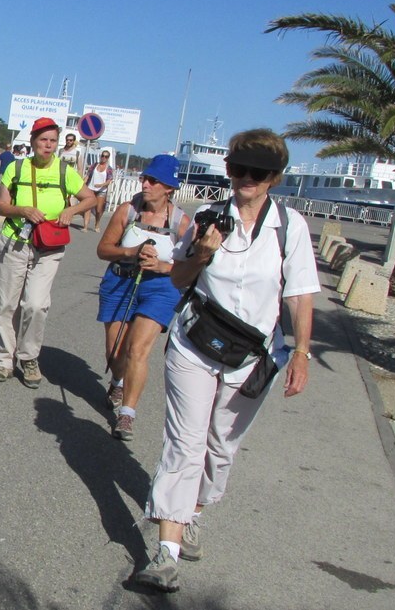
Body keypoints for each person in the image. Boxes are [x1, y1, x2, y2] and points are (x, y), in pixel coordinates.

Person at [134, 129, 319, 592]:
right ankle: (166, 552)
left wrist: (301, 352)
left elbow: (299, 294)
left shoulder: (290, 228)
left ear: (274, 178)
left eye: (257, 173)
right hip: (195, 344)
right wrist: (201, 252)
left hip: (252, 356)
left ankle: (194, 512)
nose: (245, 180)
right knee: (185, 443)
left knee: (220, 447)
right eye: (238, 169)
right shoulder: (208, 217)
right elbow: (178, 278)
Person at [0, 117, 97, 387]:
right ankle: (4, 361)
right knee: (8, 305)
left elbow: (90, 198)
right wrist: (22, 210)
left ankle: (29, 357)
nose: (48, 146)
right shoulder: (16, 168)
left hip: (49, 246)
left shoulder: (64, 171)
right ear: (33, 142)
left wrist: (71, 210)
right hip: (15, 240)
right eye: (43, 140)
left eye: (53, 141)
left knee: (36, 304)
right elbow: (1, 206)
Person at [97, 154, 189, 440]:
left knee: (138, 350)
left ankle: (127, 415)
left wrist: (162, 266)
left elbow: (191, 267)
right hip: (120, 281)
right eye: (145, 178)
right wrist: (131, 253)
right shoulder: (128, 211)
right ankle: (118, 379)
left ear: (169, 188)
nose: (145, 183)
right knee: (116, 354)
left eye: (153, 180)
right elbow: (103, 250)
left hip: (160, 289)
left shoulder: (181, 222)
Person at [83, 150, 115, 232]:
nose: (104, 158)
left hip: (101, 190)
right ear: (100, 156)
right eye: (103, 156)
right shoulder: (94, 165)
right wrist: (83, 183)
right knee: (88, 207)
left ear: (108, 158)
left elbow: (109, 180)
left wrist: (101, 185)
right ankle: (85, 227)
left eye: (106, 156)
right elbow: (88, 175)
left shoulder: (109, 169)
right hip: (91, 188)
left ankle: (97, 224)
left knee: (98, 210)